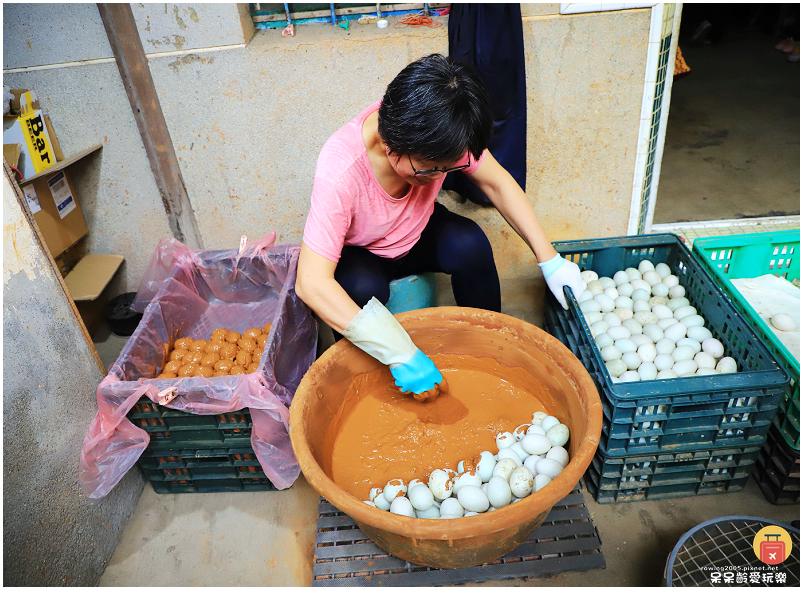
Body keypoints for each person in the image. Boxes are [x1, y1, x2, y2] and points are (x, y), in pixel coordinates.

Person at [295, 54, 584, 396]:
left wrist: (549, 259)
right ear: (391, 148)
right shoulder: (341, 169)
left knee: (469, 243)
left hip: (418, 232)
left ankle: (487, 349)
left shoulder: (445, 129)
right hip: (365, 251)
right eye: (431, 170)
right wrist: (402, 353)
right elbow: (311, 283)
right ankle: (370, 380)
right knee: (359, 289)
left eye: (450, 168)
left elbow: (497, 184)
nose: (440, 178)